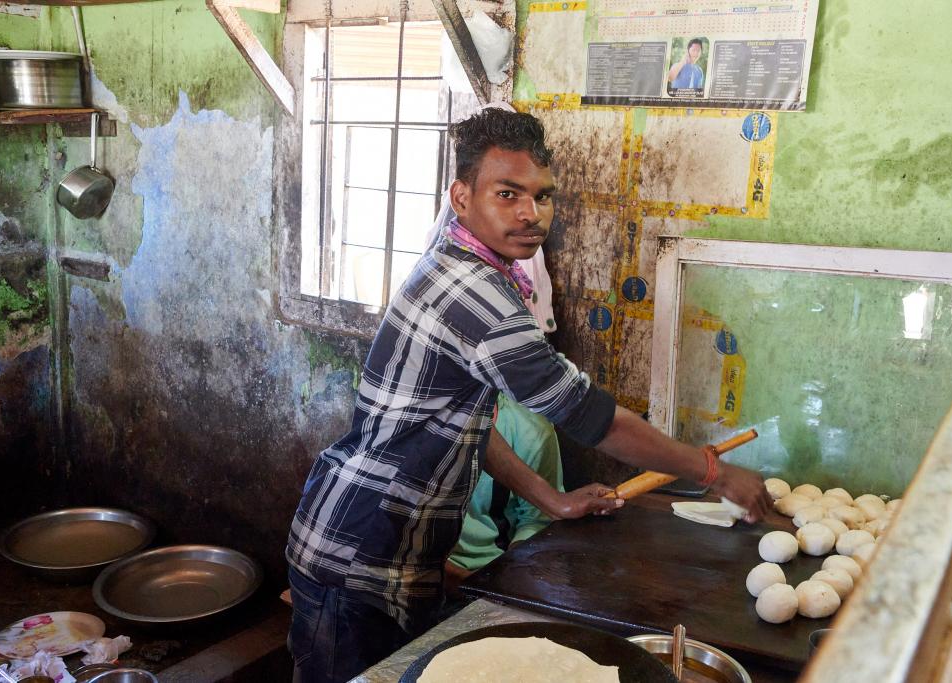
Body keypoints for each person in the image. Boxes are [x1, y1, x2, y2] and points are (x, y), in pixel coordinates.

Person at [285, 108, 771, 683]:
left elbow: (468, 423)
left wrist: (550, 499)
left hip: (390, 550)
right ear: (461, 197)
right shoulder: (477, 296)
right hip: (357, 554)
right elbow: (593, 419)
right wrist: (711, 472)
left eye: (542, 197)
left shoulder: (462, 257)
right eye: (508, 194)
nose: (530, 213)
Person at [444, 392, 564, 596]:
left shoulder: (529, 430)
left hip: (494, 570)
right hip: (418, 574)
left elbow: (536, 520)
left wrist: (512, 570)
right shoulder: (407, 422)